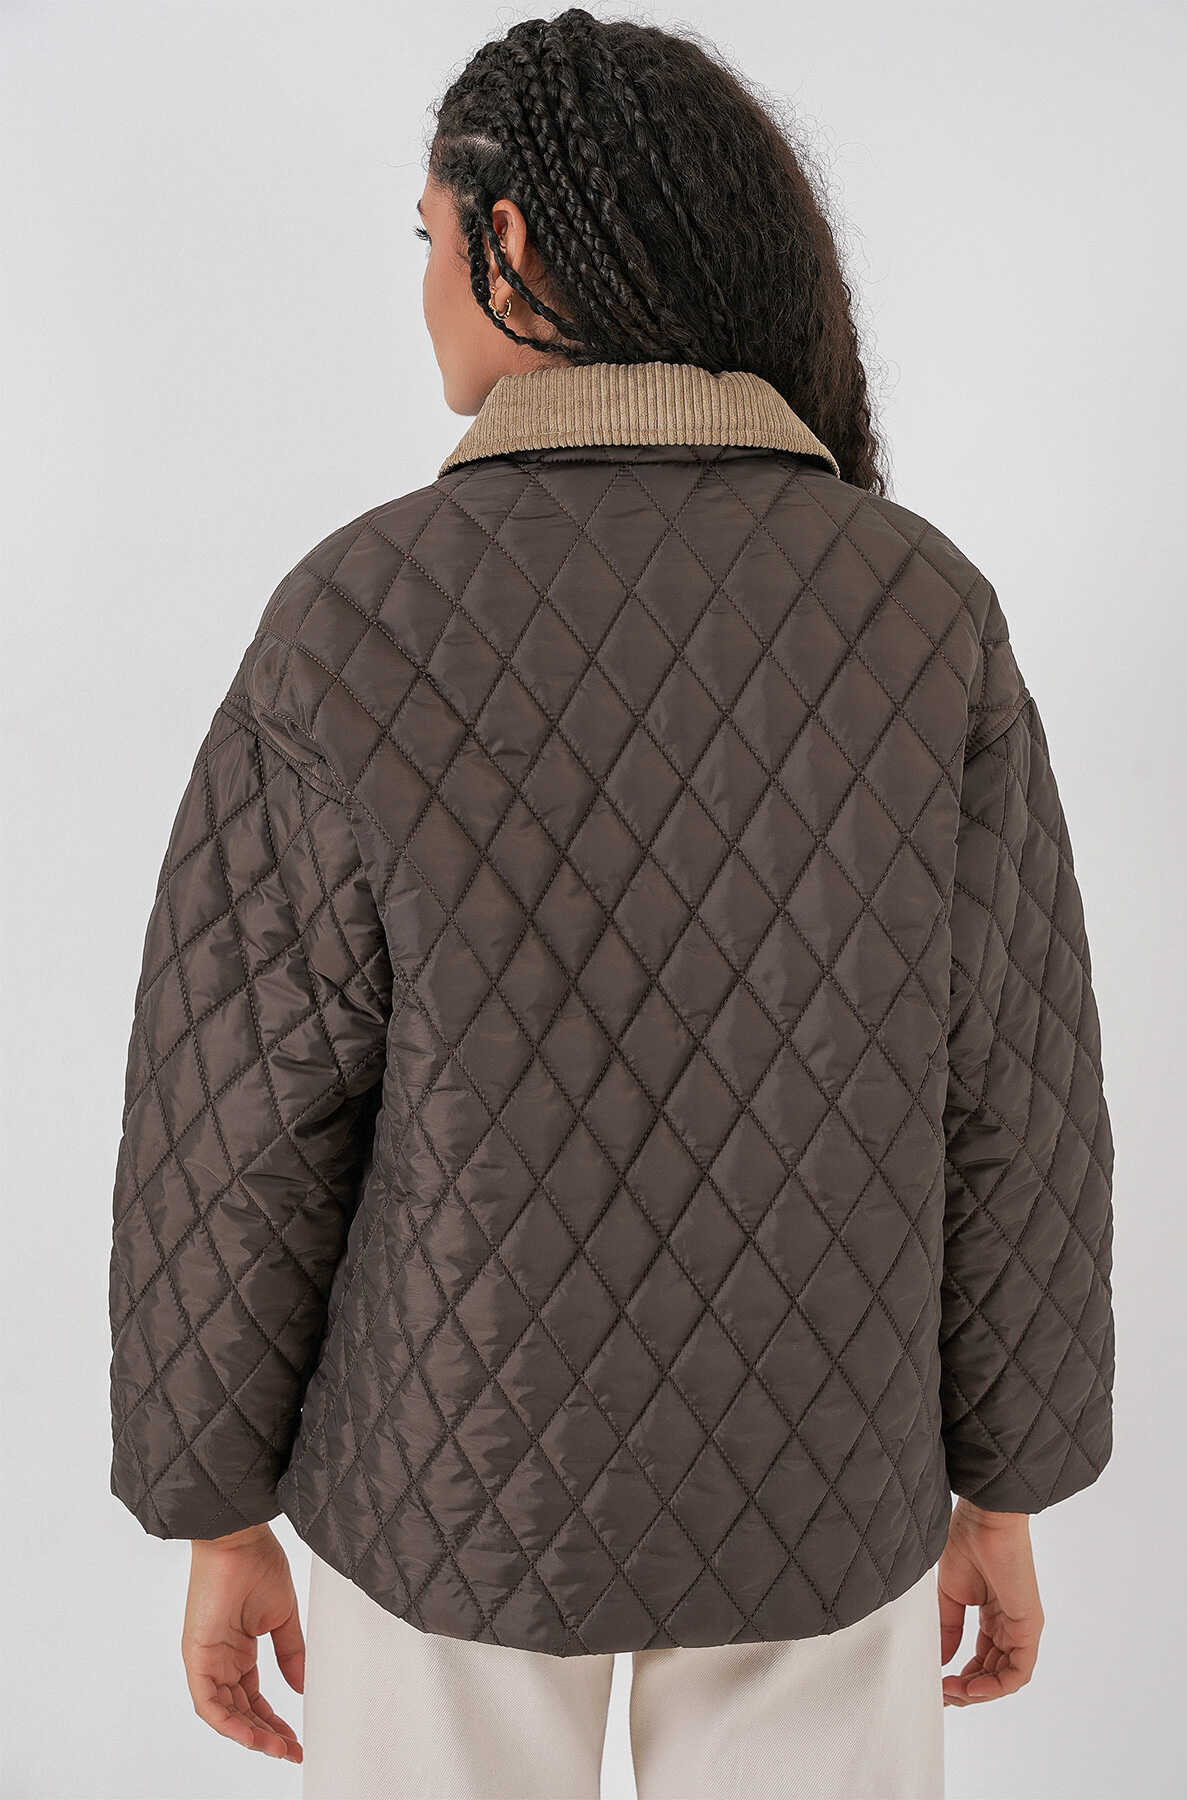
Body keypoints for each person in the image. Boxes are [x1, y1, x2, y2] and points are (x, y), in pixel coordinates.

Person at [106, 11, 1116, 1798]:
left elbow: (239, 1116)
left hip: (446, 1490)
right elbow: (1015, 1096)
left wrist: (217, 1508)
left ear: (510, 239)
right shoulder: (921, 611)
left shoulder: (355, 614)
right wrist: (1005, 1482)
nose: (424, 284)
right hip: (829, 1486)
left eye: (431, 237)